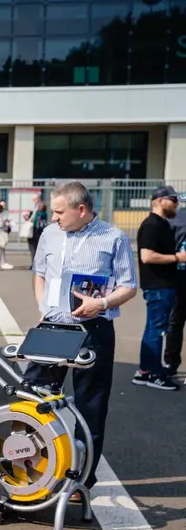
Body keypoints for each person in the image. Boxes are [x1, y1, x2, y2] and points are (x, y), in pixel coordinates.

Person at [28, 181, 138, 494]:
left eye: (60, 211)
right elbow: (39, 273)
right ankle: (36, 471)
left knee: (91, 406)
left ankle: (81, 481)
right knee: (34, 396)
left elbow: (128, 286)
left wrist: (100, 304)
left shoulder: (113, 237)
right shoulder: (50, 233)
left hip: (93, 331)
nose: (54, 217)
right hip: (52, 327)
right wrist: (43, 307)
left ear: (81, 209)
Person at [133, 185, 184, 391]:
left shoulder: (162, 224)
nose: (176, 204)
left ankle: (146, 370)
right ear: (160, 200)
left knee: (155, 328)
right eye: (172, 200)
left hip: (163, 286)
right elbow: (147, 256)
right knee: (156, 330)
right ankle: (152, 373)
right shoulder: (152, 225)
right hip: (158, 286)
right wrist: (177, 258)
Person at [164, 191, 186, 380]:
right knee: (175, 322)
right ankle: (171, 362)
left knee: (175, 323)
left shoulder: (175, 221)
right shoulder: (177, 221)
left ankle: (171, 363)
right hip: (178, 276)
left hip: (176, 277)